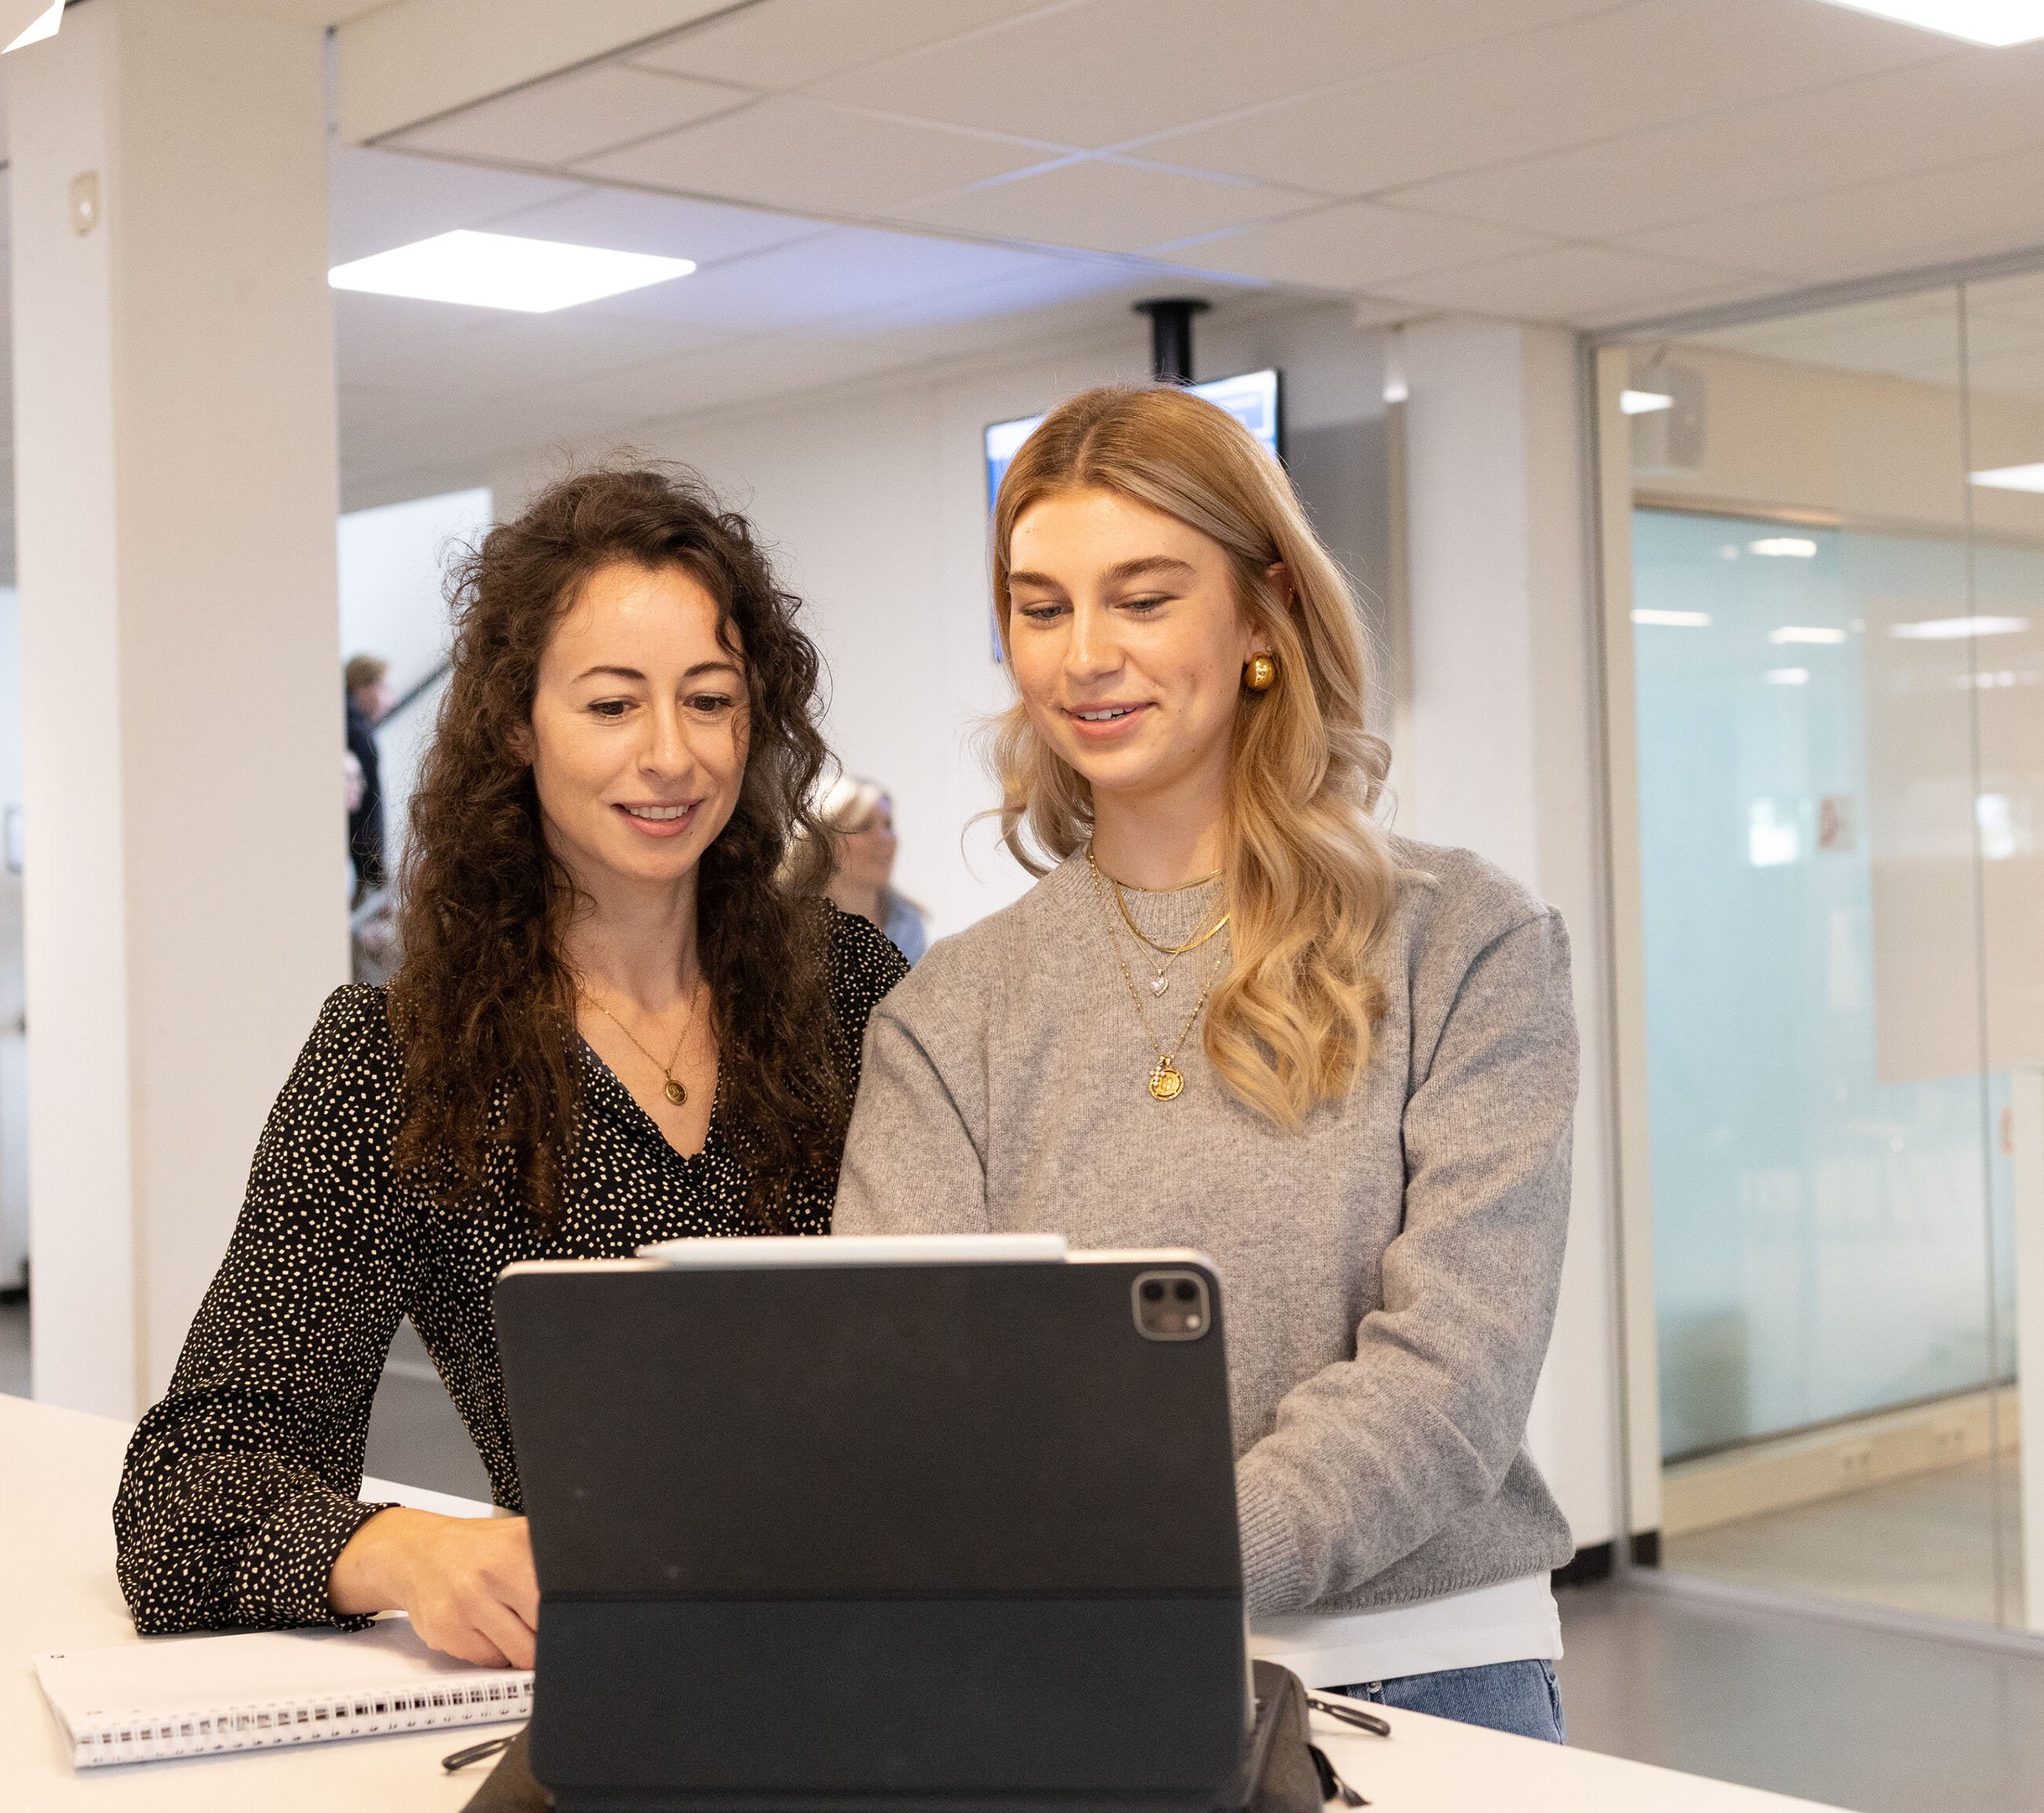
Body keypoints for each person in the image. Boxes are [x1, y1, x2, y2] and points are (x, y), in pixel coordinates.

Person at [833, 386, 1579, 1742]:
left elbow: (1453, 1373)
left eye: (1145, 596)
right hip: (1066, 1673)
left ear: (1263, 614)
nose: (1085, 656)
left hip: (1423, 1679)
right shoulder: (952, 1011)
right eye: (1042, 606)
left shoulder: (1463, 939)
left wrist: (1153, 1565)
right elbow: (914, 1390)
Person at [117, 465, 909, 1667]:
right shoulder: (397, 1063)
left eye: (710, 700)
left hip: (905, 1640)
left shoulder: (852, 995)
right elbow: (186, 1496)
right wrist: (403, 1549)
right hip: (619, 1676)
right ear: (511, 723)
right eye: (610, 706)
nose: (671, 756)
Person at [814, 775, 928, 964]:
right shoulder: (793, 921)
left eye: (888, 825)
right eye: (864, 827)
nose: (885, 839)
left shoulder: (909, 921)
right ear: (826, 843)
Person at [345, 652, 391, 901]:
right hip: (362, 860)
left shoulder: (345, 726)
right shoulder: (359, 735)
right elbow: (368, 812)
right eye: (383, 688)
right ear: (362, 688)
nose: (390, 700)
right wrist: (378, 875)